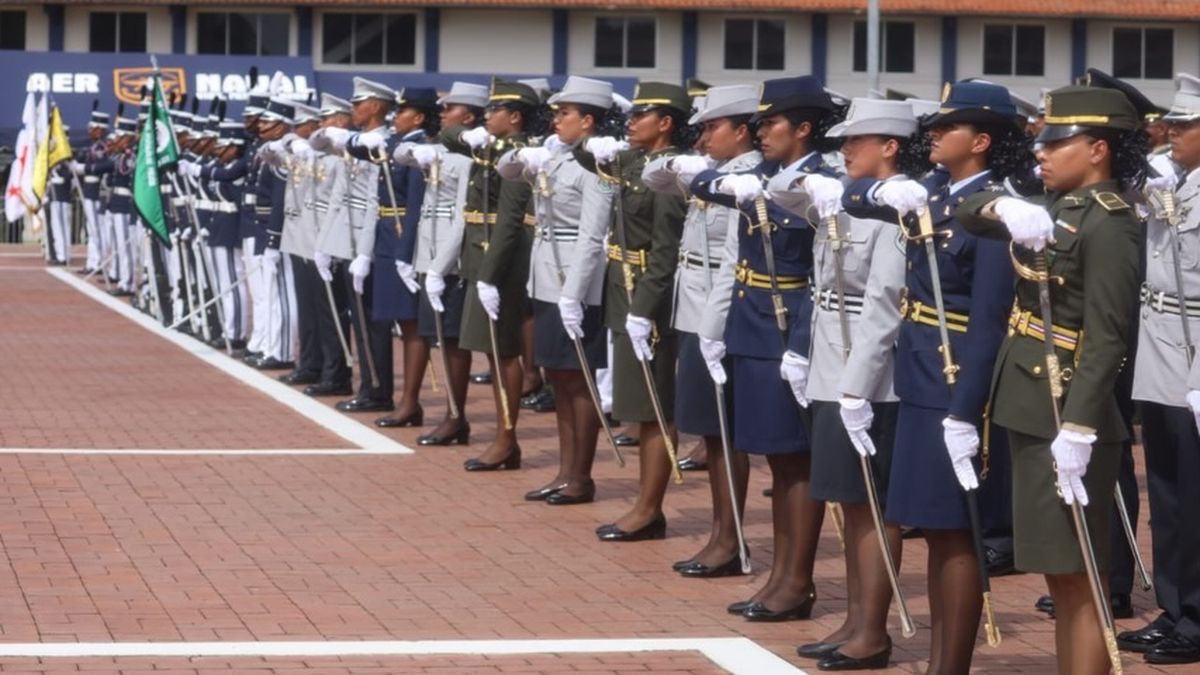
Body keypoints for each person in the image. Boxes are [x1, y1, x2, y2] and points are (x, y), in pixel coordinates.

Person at [958, 84, 1146, 674]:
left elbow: (1108, 335)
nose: (1042, 152)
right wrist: (1002, 208)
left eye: (1056, 143)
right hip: (1028, 402)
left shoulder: (1110, 223)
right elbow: (965, 207)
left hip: (1065, 413)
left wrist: (1083, 427)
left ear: (1097, 149)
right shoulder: (1052, 205)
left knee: (1079, 580)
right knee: (1060, 579)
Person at [845, 80, 1026, 672]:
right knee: (934, 523)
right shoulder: (935, 193)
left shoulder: (995, 210)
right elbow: (853, 199)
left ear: (979, 140)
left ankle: (950, 666)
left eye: (947, 129)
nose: (934, 136)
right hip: (919, 370)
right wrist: (884, 186)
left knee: (956, 531)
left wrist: (965, 410)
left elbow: (990, 320)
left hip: (953, 382)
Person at [768, 98, 928, 668]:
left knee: (873, 506)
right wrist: (824, 179)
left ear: (891, 146)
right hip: (829, 366)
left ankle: (873, 632)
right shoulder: (849, 195)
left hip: (869, 377)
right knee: (850, 504)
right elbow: (780, 192)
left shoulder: (900, 206)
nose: (845, 151)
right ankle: (855, 620)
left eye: (857, 142)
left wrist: (857, 388)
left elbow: (885, 304)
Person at [690, 75, 843, 620]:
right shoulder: (761, 174)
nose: (760, 133)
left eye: (770, 123)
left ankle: (796, 581)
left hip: (789, 324)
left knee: (795, 461)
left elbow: (824, 272)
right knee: (775, 460)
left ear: (803, 129)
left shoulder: (823, 181)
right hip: (750, 322)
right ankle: (782, 574)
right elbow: (703, 189)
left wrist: (800, 346)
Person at [562, 81, 690, 540]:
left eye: (641, 115)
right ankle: (645, 503)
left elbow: (665, 250)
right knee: (638, 405)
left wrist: (644, 308)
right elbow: (583, 154)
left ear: (667, 123)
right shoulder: (634, 161)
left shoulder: (668, 173)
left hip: (645, 297)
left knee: (654, 407)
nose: (630, 122)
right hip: (622, 290)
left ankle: (648, 507)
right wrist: (585, 141)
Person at [644, 84, 760, 572]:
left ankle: (729, 539)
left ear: (741, 131)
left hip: (717, 314)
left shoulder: (748, 181)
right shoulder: (709, 173)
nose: (704, 137)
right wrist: (677, 166)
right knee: (710, 433)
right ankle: (720, 533)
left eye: (713, 127)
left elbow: (736, 258)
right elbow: (652, 177)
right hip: (691, 308)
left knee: (725, 433)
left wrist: (712, 330)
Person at [490, 76, 619, 500]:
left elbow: (592, 235)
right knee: (559, 380)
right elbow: (504, 170)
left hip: (575, 282)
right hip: (546, 275)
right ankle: (566, 471)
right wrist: (530, 154)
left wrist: (574, 294)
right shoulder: (557, 157)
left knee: (578, 381)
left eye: (564, 113)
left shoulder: (598, 166)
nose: (555, 119)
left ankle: (581, 476)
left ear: (587, 121)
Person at [1121, 72, 1200, 666]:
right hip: (1162, 349)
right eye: (1169, 123)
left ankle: (1196, 619)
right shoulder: (1178, 183)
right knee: (1170, 492)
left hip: (1196, 357)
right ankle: (1177, 608)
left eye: (1184, 125)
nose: (1170, 132)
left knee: (1195, 494)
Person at [448, 78, 542, 471]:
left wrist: (488, 275)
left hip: (501, 261)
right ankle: (507, 438)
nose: (487, 116)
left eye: (495, 111)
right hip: (480, 255)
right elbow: (447, 132)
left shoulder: (519, 155)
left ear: (515, 117)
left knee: (503, 352)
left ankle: (507, 437)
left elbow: (509, 222)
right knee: (491, 349)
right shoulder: (492, 146)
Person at [394, 81, 487, 446]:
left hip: (449, 260)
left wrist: (439, 266)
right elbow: (399, 154)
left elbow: (463, 216)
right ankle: (451, 414)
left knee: (452, 341)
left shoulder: (470, 156)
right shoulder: (437, 149)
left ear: (469, 116)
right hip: (428, 252)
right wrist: (416, 152)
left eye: (452, 109)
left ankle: (455, 415)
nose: (443, 113)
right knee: (436, 337)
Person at [368, 87, 441, 429]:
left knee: (412, 325)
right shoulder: (396, 144)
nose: (395, 117)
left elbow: (414, 205)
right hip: (387, 235)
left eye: (402, 112)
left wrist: (406, 252)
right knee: (399, 321)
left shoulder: (418, 147)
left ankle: (410, 402)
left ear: (419, 117)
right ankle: (407, 401)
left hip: (402, 239)